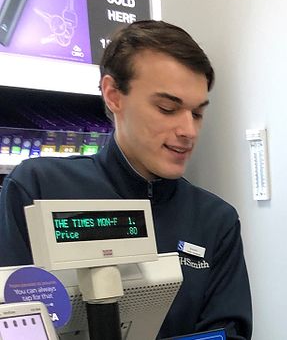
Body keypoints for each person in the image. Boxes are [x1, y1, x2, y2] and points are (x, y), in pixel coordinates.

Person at [0, 20, 253, 339]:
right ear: (113, 95)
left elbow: (228, 331)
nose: (189, 130)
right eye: (167, 108)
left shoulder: (216, 221)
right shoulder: (36, 189)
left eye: (197, 113)